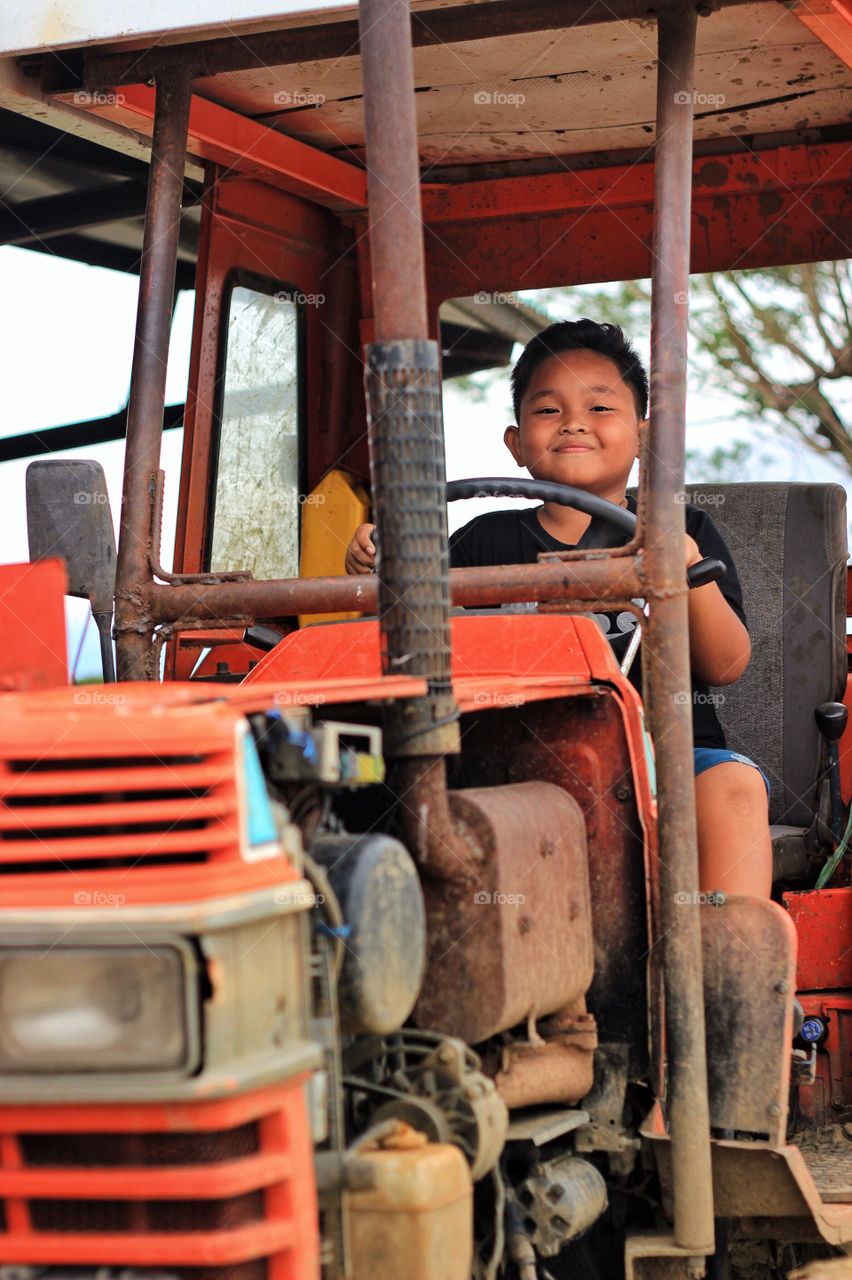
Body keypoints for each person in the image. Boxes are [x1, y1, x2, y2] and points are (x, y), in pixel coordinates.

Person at [345, 319, 771, 898]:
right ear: (516, 445)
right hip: (511, 759)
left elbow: (726, 664)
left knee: (732, 786)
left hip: (665, 759)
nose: (573, 422)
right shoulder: (482, 543)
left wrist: (683, 564)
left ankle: (730, 962)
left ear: (645, 439)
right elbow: (415, 651)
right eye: (548, 410)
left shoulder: (684, 528)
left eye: (600, 408)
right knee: (402, 793)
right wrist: (382, 570)